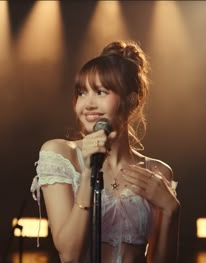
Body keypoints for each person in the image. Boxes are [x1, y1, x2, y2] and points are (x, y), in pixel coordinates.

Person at [31, 40, 180, 263]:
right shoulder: (61, 154)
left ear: (132, 100)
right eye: (82, 93)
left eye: (101, 92)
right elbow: (70, 254)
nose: (88, 104)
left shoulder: (158, 172)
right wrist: (89, 173)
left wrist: (171, 210)